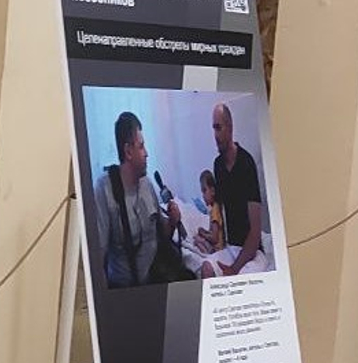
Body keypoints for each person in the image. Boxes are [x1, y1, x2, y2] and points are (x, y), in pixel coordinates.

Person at [92, 111, 181, 288]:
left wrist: (172, 221)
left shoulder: (147, 184)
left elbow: (163, 235)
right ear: (128, 152)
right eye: (141, 147)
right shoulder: (104, 189)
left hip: (157, 278)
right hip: (127, 289)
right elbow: (98, 259)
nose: (147, 153)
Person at [203, 102, 269, 278]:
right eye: (213, 128)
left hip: (252, 252)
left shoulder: (246, 163)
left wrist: (234, 268)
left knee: (241, 280)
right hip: (231, 248)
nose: (215, 135)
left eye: (219, 128)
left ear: (230, 128)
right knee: (207, 268)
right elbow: (217, 211)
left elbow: (255, 232)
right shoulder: (218, 166)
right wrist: (208, 238)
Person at [196, 169, 223, 251]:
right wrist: (205, 232)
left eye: (204, 191)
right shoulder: (215, 208)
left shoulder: (215, 210)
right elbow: (214, 232)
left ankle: (208, 254)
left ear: (212, 191)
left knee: (197, 240)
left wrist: (203, 234)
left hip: (217, 248)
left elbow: (215, 238)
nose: (203, 196)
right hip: (216, 245)